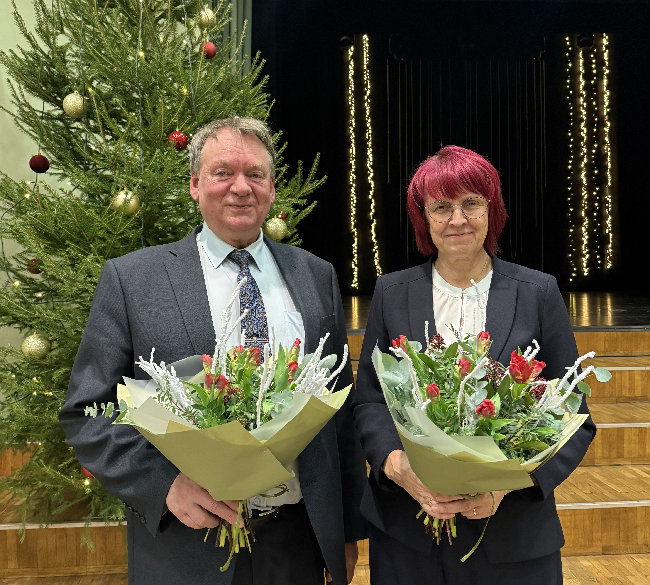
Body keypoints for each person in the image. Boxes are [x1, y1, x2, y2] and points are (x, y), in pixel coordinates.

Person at [59, 116, 367, 585]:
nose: (240, 188)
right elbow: (87, 412)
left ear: (272, 189)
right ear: (194, 185)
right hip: (188, 545)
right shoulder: (133, 280)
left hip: (298, 541)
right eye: (223, 173)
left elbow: (338, 414)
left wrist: (346, 533)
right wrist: (165, 487)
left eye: (255, 174)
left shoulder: (314, 275)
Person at [352, 146, 596, 584]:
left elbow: (574, 415)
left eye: (471, 203)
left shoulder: (538, 293)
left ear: (491, 209)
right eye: (441, 207)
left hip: (514, 537)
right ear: (424, 217)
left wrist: (506, 484)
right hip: (408, 537)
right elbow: (370, 402)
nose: (457, 219)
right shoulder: (392, 293)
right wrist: (399, 467)